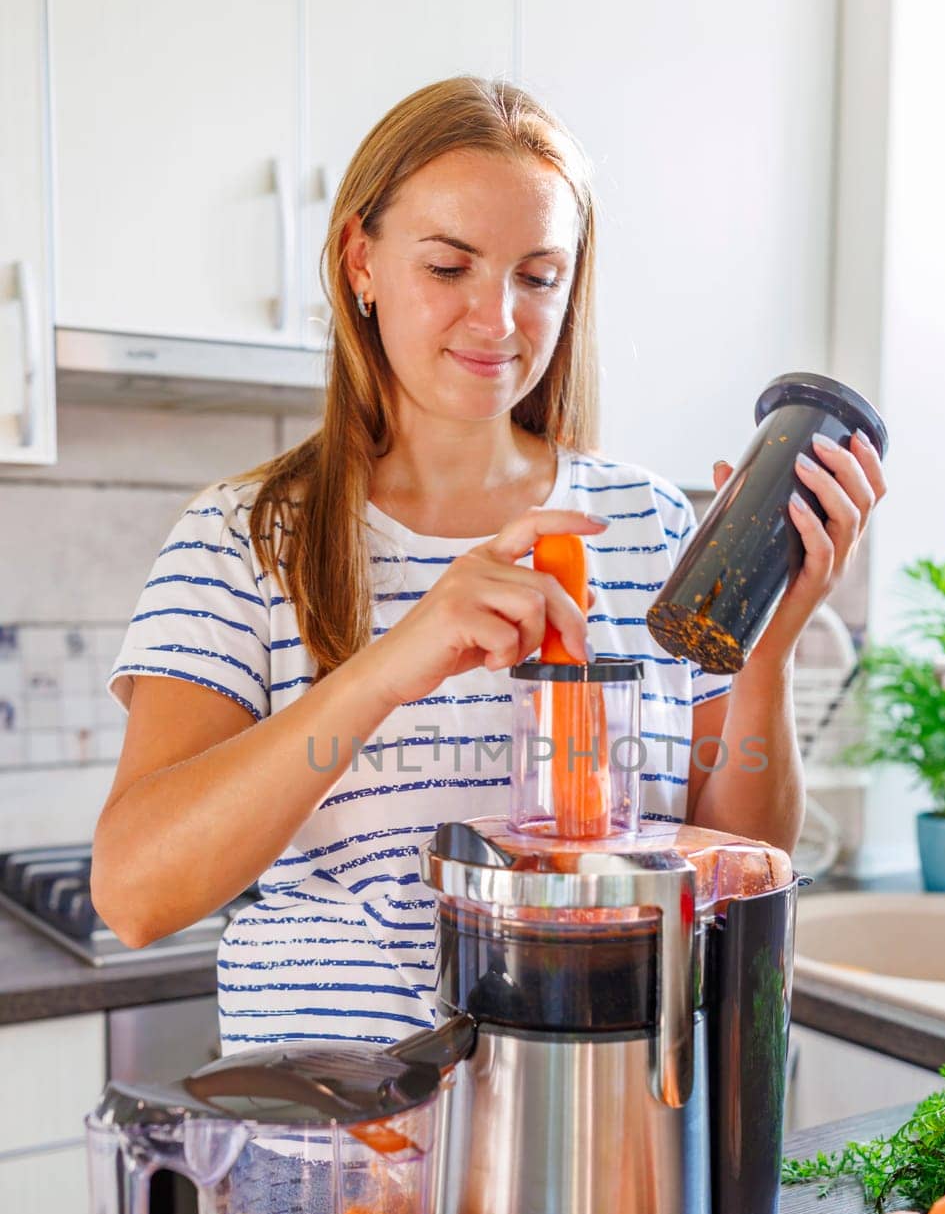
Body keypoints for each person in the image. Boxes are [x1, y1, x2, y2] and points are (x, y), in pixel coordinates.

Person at [91, 76, 886, 1055]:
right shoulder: (246, 537)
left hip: (597, 1121)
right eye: (449, 264)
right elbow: (134, 894)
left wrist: (765, 649)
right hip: (341, 1141)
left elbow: (736, 867)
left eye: (535, 276)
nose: (498, 318)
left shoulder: (646, 523)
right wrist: (397, 657)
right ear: (360, 261)